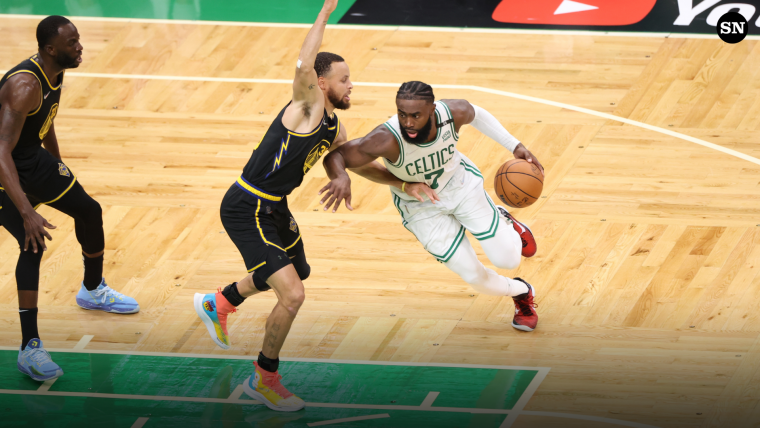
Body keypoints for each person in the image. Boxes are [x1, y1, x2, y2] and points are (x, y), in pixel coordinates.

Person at [193, 0, 404, 412]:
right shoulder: (306, 108)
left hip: (275, 206)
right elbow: (303, 64)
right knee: (292, 294)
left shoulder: (334, 125)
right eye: (344, 79)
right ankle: (264, 378)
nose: (351, 85)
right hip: (246, 205)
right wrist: (324, 13)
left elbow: (354, 162)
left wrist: (402, 183)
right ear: (321, 84)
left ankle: (220, 301)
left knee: (297, 270)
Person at [320, 81, 543, 333]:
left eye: (416, 115)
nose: (408, 123)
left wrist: (516, 146)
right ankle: (522, 291)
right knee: (474, 277)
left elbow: (477, 114)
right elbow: (336, 156)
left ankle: (505, 220)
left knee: (508, 259)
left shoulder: (452, 113)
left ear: (432, 110)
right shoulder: (385, 139)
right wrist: (341, 176)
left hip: (459, 185)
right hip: (420, 206)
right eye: (402, 114)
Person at [0, 16, 140, 382]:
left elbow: (44, 120)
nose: (80, 48)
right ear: (50, 49)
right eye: (72, 42)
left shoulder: (56, 70)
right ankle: (30, 347)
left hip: (31, 160)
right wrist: (27, 211)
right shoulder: (24, 86)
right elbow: (1, 152)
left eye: (78, 40)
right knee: (32, 242)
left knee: (89, 211)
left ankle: (92, 290)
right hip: (4, 169)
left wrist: (57, 164)